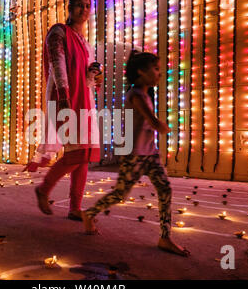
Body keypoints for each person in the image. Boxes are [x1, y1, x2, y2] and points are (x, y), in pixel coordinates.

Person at [81, 51, 190, 257]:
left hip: (150, 154)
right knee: (121, 194)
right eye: (156, 69)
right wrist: (161, 125)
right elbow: (152, 120)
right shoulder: (135, 94)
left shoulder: (146, 94)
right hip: (134, 155)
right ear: (141, 72)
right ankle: (90, 213)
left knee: (165, 189)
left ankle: (165, 237)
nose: (159, 73)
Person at [23, 0, 102, 221]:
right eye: (79, 5)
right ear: (69, 7)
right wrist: (64, 95)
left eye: (87, 6)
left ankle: (75, 207)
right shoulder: (58, 32)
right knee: (78, 152)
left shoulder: (85, 42)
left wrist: (95, 75)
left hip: (84, 99)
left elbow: (87, 71)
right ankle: (44, 189)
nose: (84, 9)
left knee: (85, 153)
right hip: (66, 97)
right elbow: (57, 63)